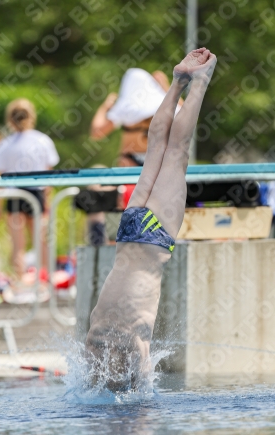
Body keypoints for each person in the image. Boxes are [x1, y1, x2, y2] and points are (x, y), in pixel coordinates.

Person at [85, 47, 217, 391]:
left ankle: (198, 82)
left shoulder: (125, 350)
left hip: (150, 240)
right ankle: (177, 83)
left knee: (175, 150)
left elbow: (140, 374)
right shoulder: (95, 349)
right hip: (130, 232)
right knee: (161, 146)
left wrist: (144, 389)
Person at [86, 69, 182, 245]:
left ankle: (117, 244)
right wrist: (167, 88)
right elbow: (184, 113)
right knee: (155, 210)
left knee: (124, 207)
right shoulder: (162, 105)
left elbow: (96, 132)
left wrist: (104, 108)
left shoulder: (126, 109)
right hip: (156, 162)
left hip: (129, 163)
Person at [0, 99, 59, 286]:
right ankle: (46, 282)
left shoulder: (4, 145)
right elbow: (48, 177)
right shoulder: (42, 141)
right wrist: (48, 201)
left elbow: (0, 178)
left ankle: (20, 282)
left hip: (13, 195)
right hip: (36, 194)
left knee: (18, 244)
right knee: (41, 240)